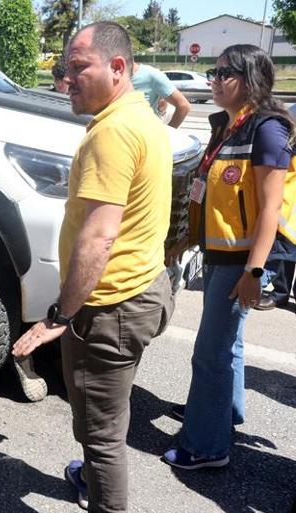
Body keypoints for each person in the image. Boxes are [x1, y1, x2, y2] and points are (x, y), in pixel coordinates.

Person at [12, 21, 174, 513]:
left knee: (102, 438)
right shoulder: (143, 117)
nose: (66, 80)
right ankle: (89, 478)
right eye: (64, 69)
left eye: (79, 68)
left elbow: (99, 237)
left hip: (110, 308)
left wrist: (60, 316)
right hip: (147, 287)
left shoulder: (114, 133)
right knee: (108, 413)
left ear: (118, 68)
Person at [162, 44, 296, 470]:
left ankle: (206, 446)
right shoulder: (230, 126)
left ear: (250, 78)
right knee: (227, 345)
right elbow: (212, 193)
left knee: (211, 352)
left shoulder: (267, 130)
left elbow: (270, 209)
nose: (212, 81)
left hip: (241, 259)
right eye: (212, 72)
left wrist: (256, 271)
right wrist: (187, 238)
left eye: (223, 74)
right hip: (219, 252)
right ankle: (221, 412)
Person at [131, 62, 190, 128]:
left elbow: (183, 106)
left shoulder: (151, 74)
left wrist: (169, 133)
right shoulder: (120, 77)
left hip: (147, 134)